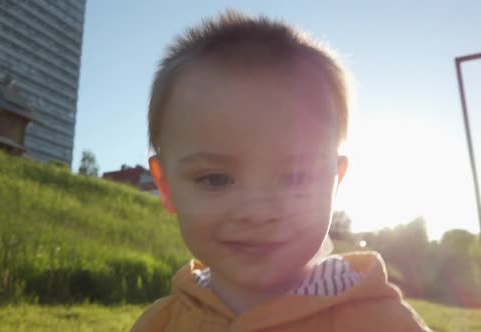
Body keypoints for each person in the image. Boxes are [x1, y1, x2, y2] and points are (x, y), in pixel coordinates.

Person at [132, 10, 431, 332]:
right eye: (215, 179)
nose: (258, 212)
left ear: (336, 180)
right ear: (165, 187)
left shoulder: (383, 324)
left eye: (296, 177)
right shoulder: (159, 324)